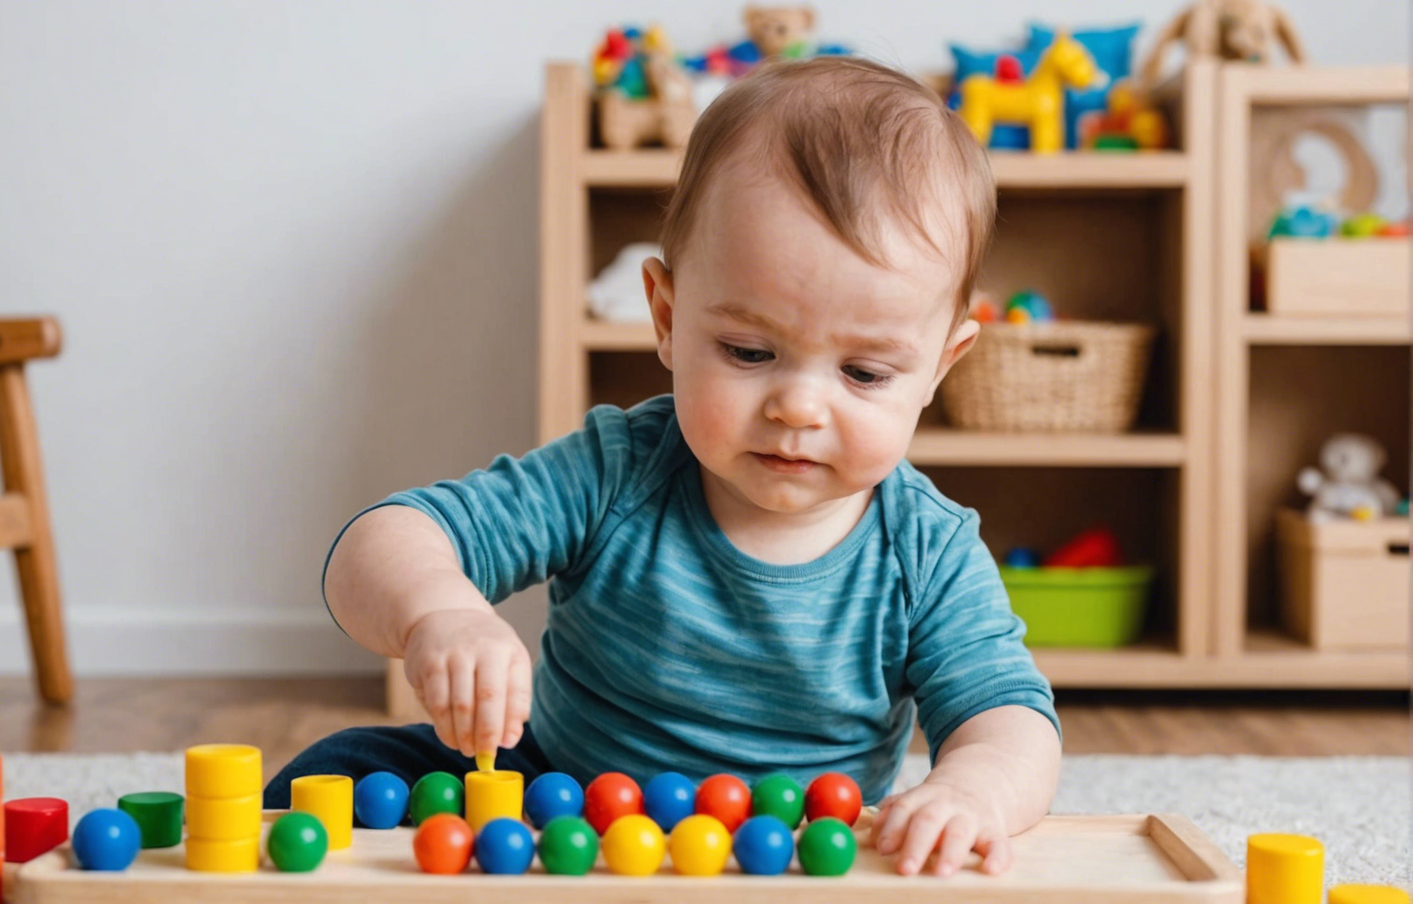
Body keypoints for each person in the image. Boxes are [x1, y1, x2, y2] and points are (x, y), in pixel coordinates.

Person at [267, 56, 1061, 877]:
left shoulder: (925, 551)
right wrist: (439, 612)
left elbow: (1009, 717)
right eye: (749, 351)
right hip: (556, 823)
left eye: (864, 374)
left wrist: (972, 792)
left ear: (940, 364)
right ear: (668, 317)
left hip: (793, 860)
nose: (799, 406)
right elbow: (386, 540)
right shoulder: (617, 472)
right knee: (345, 768)